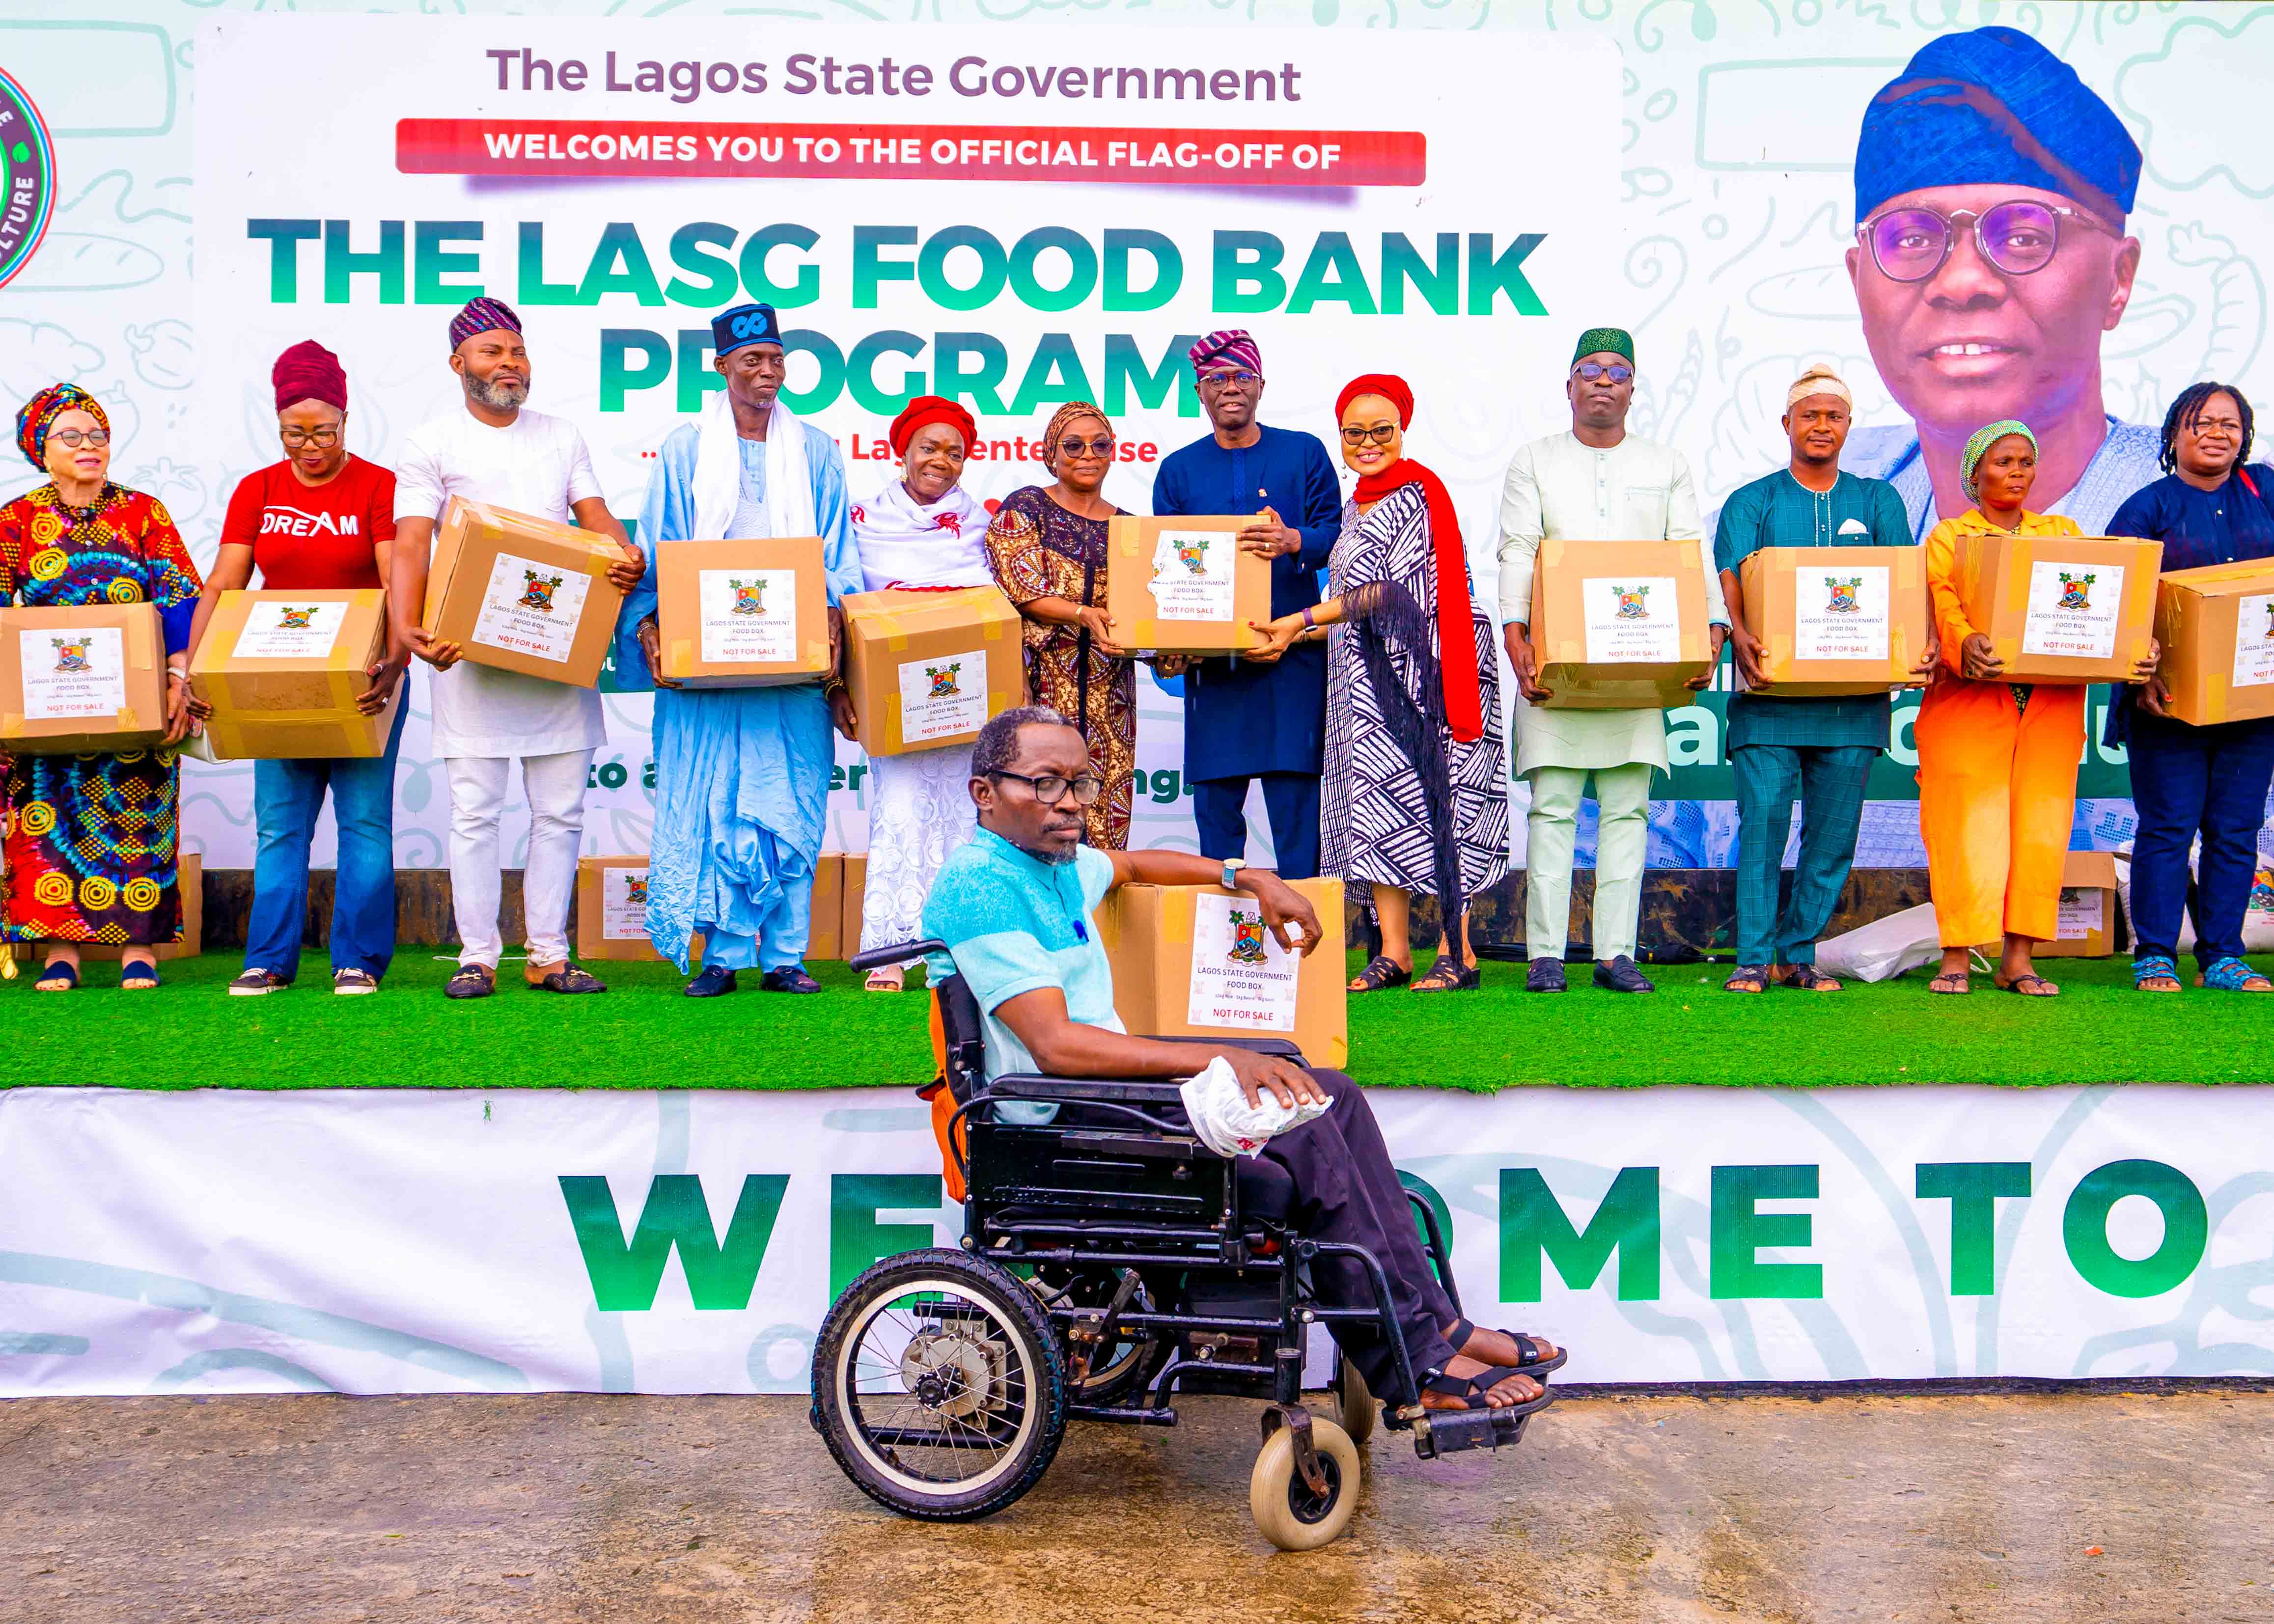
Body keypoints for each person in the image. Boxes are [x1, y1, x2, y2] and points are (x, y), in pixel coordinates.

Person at [921, 706, 1562, 1412]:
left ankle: (1441, 1324)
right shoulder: (981, 884)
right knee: (1302, 1122)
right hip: (1057, 1118)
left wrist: (1247, 874)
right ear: (986, 792)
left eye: (1080, 781)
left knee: (1331, 1094)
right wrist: (1220, 1059)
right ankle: (1415, 1368)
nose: (1069, 802)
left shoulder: (1053, 861)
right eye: (1044, 784)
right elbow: (1056, 1044)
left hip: (1100, 1096)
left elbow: (1135, 863)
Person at [390, 297, 644, 999]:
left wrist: (626, 554)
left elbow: (595, 519)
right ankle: (476, 955)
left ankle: (548, 955)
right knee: (474, 811)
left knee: (559, 811)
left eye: (517, 352)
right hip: (467, 656)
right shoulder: (430, 443)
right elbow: (413, 541)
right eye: (492, 352)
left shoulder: (560, 436)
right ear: (458, 363)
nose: (508, 364)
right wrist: (406, 625)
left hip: (557, 654)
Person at [618, 302, 859, 996]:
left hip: (792, 671)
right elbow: (661, 548)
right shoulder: (686, 448)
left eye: (776, 359)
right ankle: (723, 954)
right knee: (717, 801)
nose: (767, 371)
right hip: (711, 670)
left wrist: (836, 625)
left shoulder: (813, 449)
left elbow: (837, 554)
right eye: (751, 360)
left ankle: (785, 954)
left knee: (792, 801)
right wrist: (653, 626)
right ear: (722, 366)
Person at [1248, 374, 1507, 993]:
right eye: (1354, 432)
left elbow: (1390, 594)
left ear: (1402, 431)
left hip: (1431, 671)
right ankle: (1394, 952)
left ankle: (1459, 951)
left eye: (1380, 430)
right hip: (1367, 677)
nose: (1368, 443)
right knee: (1377, 809)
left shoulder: (1417, 494)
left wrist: (1302, 618)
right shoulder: (1356, 503)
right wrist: (1295, 634)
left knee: (1441, 801)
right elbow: (1352, 601)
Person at [1844, 26, 2153, 537]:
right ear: (1859, 284)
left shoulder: (2236, 519)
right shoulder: (1800, 520)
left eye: (2024, 237)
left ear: (2118, 280)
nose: (1961, 281)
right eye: (1912, 239)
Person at [1497, 328, 1729, 994]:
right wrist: (1515, 629)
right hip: (1556, 658)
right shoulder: (1534, 460)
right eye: (1589, 370)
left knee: (1629, 809)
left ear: (1632, 388)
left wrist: (1709, 628)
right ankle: (1544, 954)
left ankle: (1615, 953)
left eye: (1617, 370)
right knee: (1555, 806)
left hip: (1637, 658)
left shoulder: (1665, 463)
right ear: (1568, 386)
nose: (1603, 380)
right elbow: (1517, 547)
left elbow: (1688, 548)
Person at [185, 341, 407, 997]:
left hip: (364, 677)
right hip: (274, 677)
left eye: (325, 431)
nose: (311, 446)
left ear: (346, 419)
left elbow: (396, 575)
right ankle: (268, 960)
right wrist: (196, 666)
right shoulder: (258, 489)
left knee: (365, 821)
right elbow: (225, 580)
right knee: (281, 823)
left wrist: (395, 659)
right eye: (295, 432)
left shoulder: (377, 485)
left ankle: (359, 959)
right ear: (277, 423)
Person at [1917, 421, 2158, 996]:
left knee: (2040, 831)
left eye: (2025, 462)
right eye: (2002, 463)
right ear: (1974, 475)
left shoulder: (2062, 533)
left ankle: (2018, 959)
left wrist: (2134, 643)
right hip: (1970, 703)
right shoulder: (1950, 537)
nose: (2017, 472)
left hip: (2049, 705)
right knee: (1965, 829)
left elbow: (2100, 603)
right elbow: (1940, 602)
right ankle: (1956, 955)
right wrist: (1964, 640)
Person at [1715, 364, 1929, 993]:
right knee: (1763, 829)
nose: (1821, 425)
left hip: (1853, 705)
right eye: (1809, 414)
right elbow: (1729, 580)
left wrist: (1916, 648)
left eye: (1833, 415)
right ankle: (1752, 957)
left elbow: (1901, 585)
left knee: (1833, 838)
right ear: (1787, 424)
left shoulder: (1877, 500)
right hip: (1769, 699)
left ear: (1848, 426)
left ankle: (1796, 953)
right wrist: (1737, 629)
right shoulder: (1751, 501)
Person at [0, 384, 201, 990]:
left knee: (138, 815)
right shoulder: (14, 519)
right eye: (72, 436)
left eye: (99, 435)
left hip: (132, 702)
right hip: (45, 705)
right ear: (41, 448)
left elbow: (181, 600)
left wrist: (176, 678)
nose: (89, 445)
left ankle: (138, 948)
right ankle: (60, 951)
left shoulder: (144, 513)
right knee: (46, 818)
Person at [1151, 330, 1341, 879]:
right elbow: (1164, 571)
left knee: (1297, 813)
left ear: (1261, 385)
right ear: (1199, 392)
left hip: (1293, 659)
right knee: (1215, 817)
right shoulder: (1179, 470)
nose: (1230, 388)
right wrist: (1173, 647)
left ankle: (1307, 946)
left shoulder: (1303, 452)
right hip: (1215, 671)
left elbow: (1338, 532)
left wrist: (1294, 541)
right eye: (1217, 379)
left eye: (1241, 377)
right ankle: (1222, 953)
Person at [2107, 385, 2274, 994]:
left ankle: (2223, 957)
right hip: (2165, 705)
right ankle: (2154, 953)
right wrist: (2141, 672)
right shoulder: (2147, 506)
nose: (2215, 433)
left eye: (2229, 424)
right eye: (2201, 421)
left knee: (2234, 830)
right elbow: (2114, 598)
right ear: (2174, 434)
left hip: (2254, 705)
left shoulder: (2266, 491)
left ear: (2245, 436)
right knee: (2168, 827)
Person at [843, 394, 989, 993]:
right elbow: (849, 610)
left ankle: (951, 957)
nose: (942, 461)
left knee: (962, 820)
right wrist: (840, 690)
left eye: (955, 452)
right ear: (900, 452)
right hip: (895, 701)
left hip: (965, 699)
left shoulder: (983, 525)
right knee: (900, 813)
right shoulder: (861, 522)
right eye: (929, 448)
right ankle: (888, 951)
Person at [984, 401, 1137, 848]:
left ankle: (1093, 920)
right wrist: (1081, 613)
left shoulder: (1130, 528)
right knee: (1035, 814)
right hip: (1040, 688)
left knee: (1105, 825)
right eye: (1074, 445)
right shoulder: (1027, 507)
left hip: (1113, 701)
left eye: (1100, 444)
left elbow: (1146, 609)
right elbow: (1018, 584)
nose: (1088, 454)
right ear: (1051, 453)